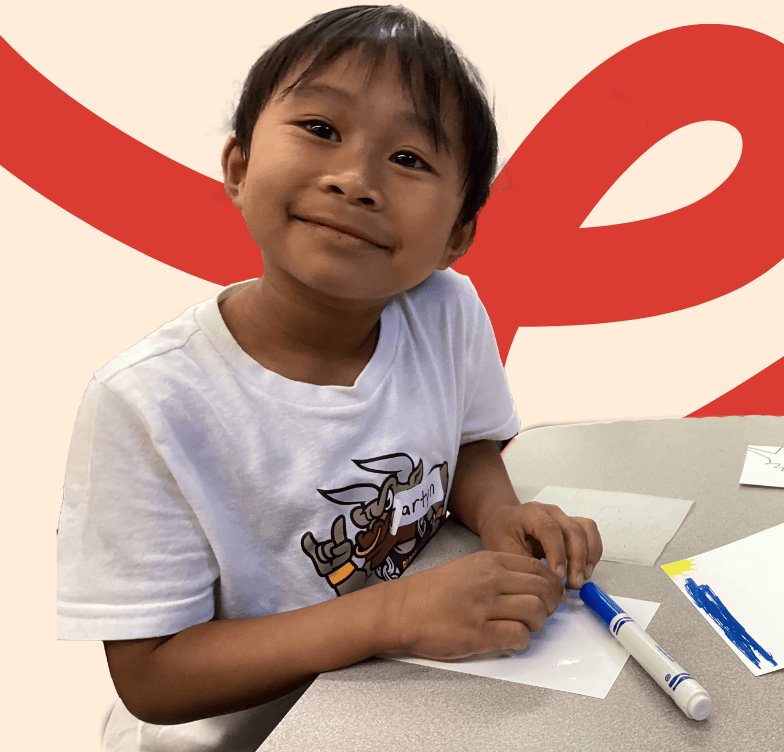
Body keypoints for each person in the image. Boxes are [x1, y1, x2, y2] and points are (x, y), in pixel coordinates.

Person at [57, 5, 602, 751]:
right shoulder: (149, 402)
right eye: (321, 129)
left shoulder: (446, 312)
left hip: (411, 701)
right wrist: (395, 614)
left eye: (410, 159)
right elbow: (152, 678)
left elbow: (468, 448)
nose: (355, 180)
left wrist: (499, 515)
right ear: (240, 168)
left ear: (457, 236)